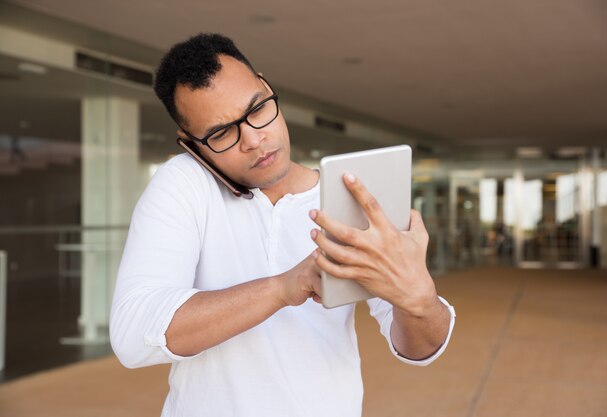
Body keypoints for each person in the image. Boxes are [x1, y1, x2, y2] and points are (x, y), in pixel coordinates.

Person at [110, 33, 456, 417]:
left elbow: (421, 350)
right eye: (222, 133)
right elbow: (133, 335)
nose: (255, 140)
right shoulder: (184, 184)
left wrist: (418, 298)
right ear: (191, 145)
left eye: (257, 109)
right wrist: (282, 287)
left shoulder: (349, 197)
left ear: (267, 87)